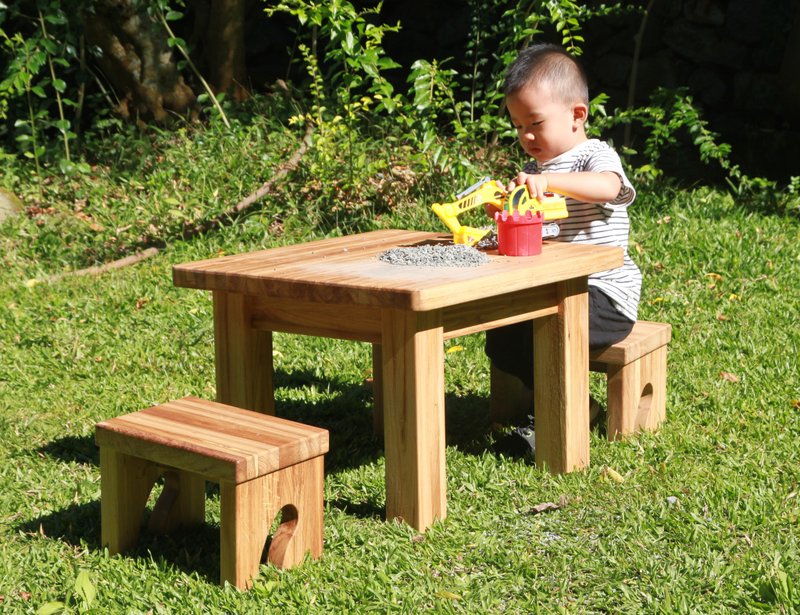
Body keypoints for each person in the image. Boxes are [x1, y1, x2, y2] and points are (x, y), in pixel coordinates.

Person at [487, 43, 641, 458]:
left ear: (577, 116)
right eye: (518, 126)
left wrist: (551, 183)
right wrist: (505, 210)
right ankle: (574, 402)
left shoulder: (593, 156)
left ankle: (559, 413)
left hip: (605, 297)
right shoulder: (536, 172)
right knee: (501, 335)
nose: (526, 136)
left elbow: (610, 188)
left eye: (535, 122)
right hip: (554, 288)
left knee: (548, 333)